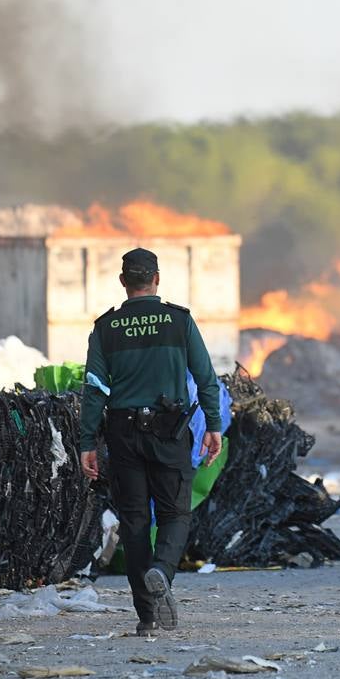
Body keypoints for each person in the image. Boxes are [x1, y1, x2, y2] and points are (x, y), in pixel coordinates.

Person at [79, 248, 223, 635]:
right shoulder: (179, 321)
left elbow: (94, 388)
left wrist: (86, 441)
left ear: (124, 282)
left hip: (123, 434)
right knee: (175, 513)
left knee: (135, 521)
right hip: (169, 431)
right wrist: (213, 424)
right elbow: (206, 378)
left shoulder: (106, 327)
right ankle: (161, 571)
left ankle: (146, 617)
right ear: (156, 279)